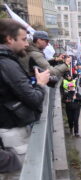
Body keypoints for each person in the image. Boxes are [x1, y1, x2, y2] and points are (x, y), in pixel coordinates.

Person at [0, 19, 50, 160]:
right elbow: (34, 99)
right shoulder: (6, 64)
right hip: (12, 132)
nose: (27, 44)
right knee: (20, 175)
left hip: (9, 128)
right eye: (23, 39)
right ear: (10, 39)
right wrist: (40, 83)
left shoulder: (7, 61)